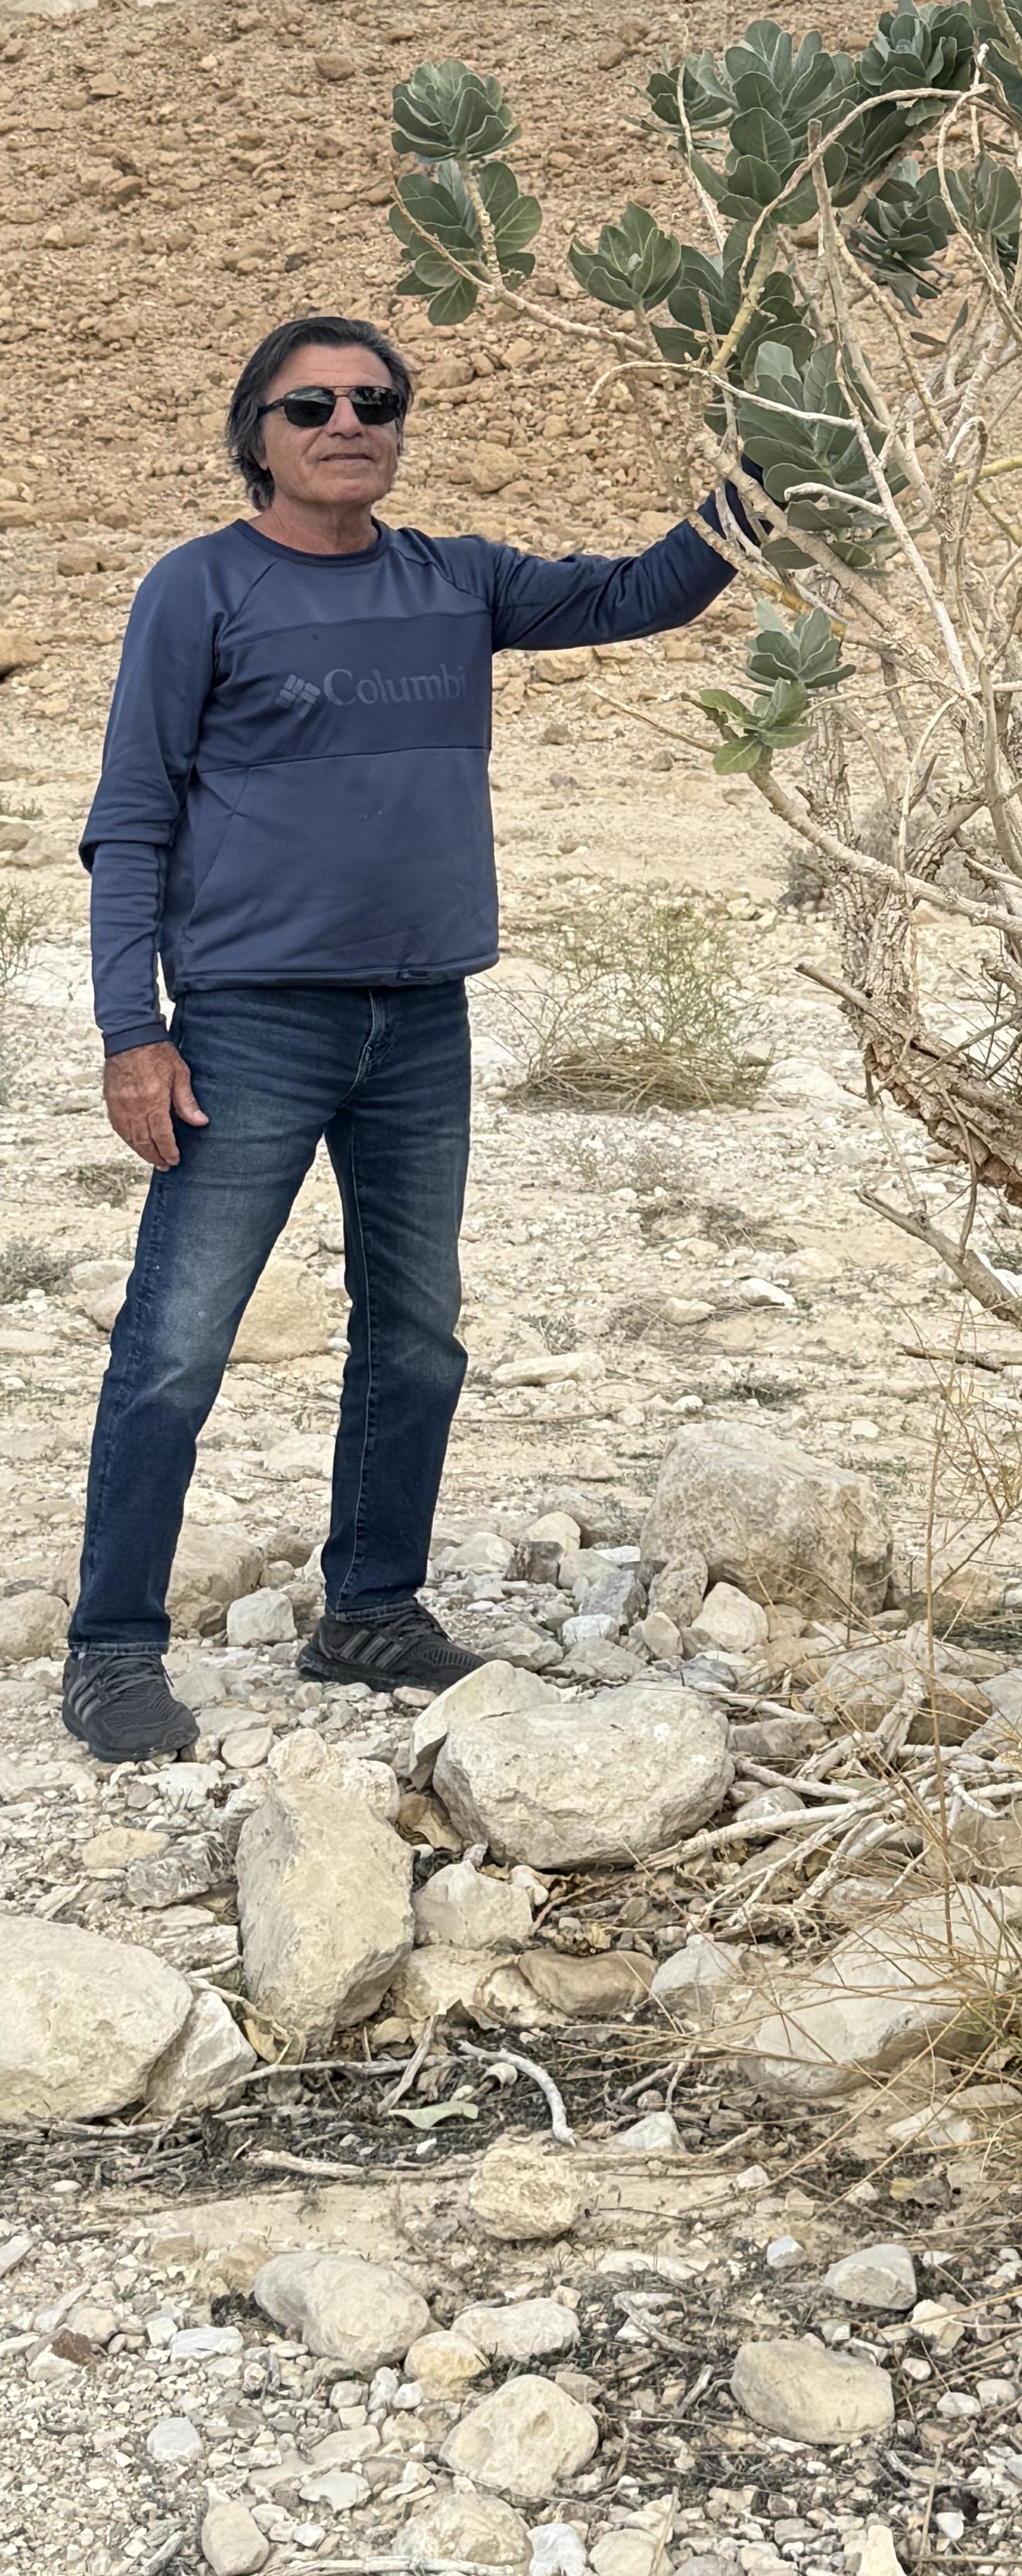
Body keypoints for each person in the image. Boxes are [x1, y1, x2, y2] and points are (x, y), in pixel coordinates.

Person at [64, 310, 752, 1763]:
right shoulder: (200, 588)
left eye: (375, 402)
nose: (347, 425)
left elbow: (645, 592)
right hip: (249, 1025)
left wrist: (775, 475)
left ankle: (371, 1612)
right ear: (256, 435)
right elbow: (129, 819)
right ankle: (112, 1647)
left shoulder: (458, 579)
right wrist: (134, 1031)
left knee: (417, 1335)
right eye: (311, 405)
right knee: (178, 1343)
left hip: (422, 1019)